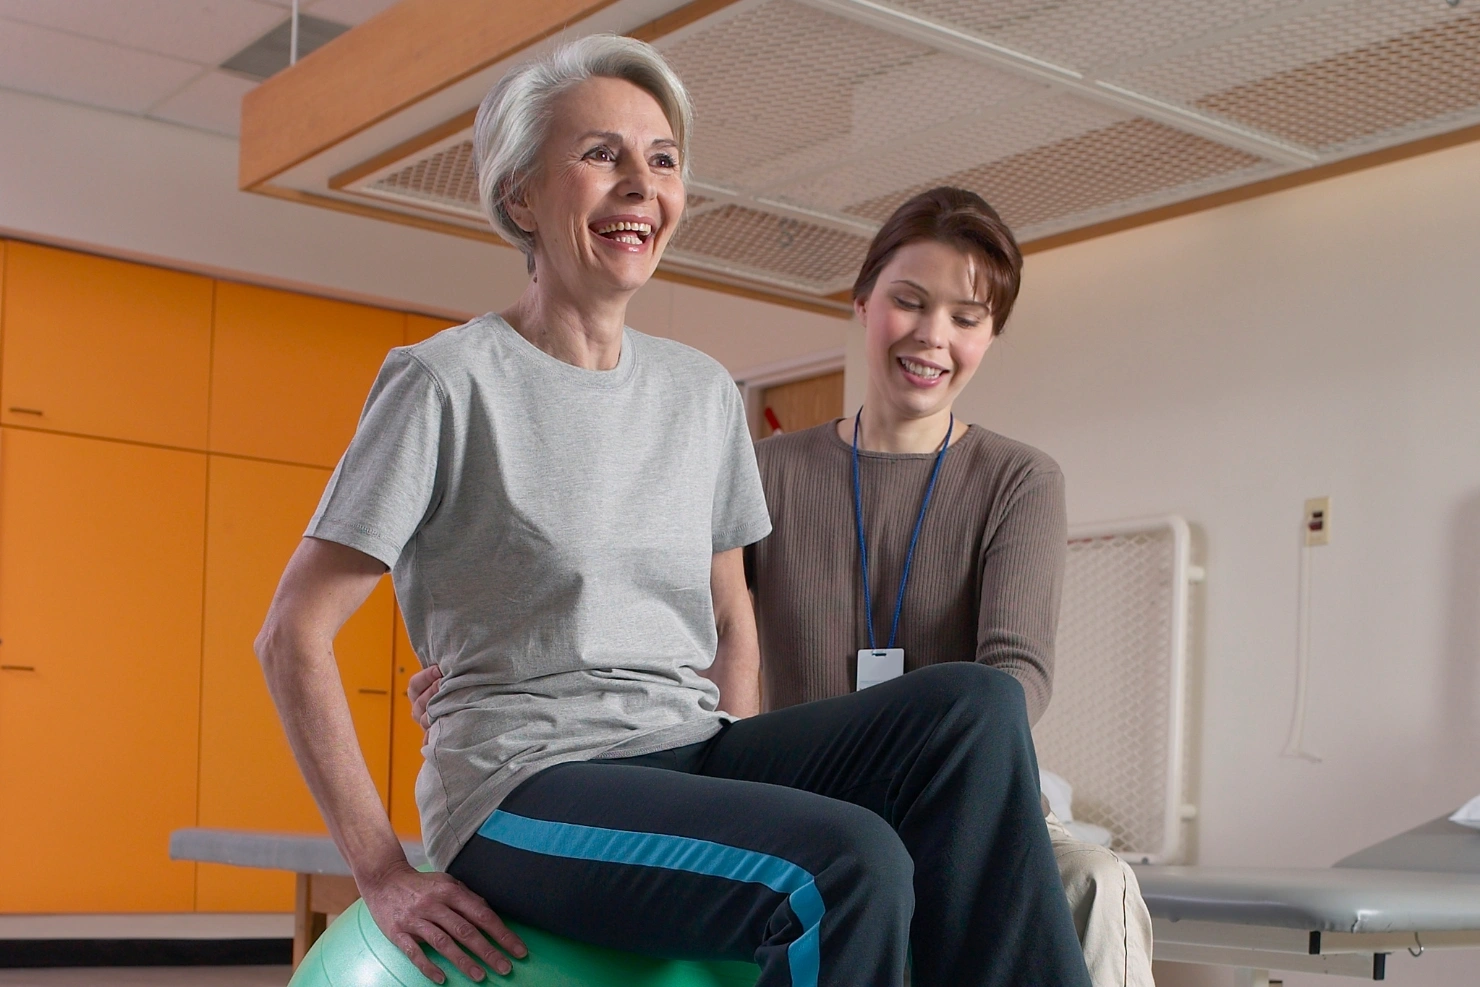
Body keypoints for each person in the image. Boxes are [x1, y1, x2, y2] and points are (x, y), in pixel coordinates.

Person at [261, 34, 1090, 987]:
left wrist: (749, 805)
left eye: (661, 161)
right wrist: (381, 870)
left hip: (690, 749)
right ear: (520, 194)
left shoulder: (700, 392)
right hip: (526, 784)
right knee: (849, 863)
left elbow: (732, 618)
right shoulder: (446, 384)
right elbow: (294, 634)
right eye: (601, 154)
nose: (639, 186)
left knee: (976, 707)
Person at [411, 186, 1152, 987]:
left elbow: (1016, 671)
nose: (933, 335)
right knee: (846, 858)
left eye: (967, 318)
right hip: (791, 779)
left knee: (1007, 740)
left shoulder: (1018, 480)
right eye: (909, 301)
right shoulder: (769, 471)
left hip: (956, 777)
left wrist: (913, 763)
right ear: (864, 301)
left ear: (989, 336)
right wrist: (502, 664)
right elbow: (684, 618)